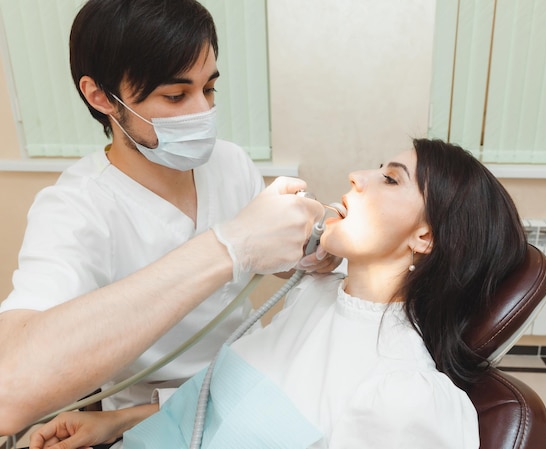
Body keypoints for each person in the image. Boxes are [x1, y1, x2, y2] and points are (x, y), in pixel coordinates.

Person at [30, 138, 528, 449]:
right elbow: (224, 402)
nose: (357, 176)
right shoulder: (310, 295)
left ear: (426, 237)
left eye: (390, 179)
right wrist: (113, 423)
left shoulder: (401, 395)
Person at [0, 0, 340, 435]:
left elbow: (280, 257)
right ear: (101, 96)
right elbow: (11, 386)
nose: (202, 112)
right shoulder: (74, 208)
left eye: (210, 89)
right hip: (152, 421)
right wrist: (228, 246)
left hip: (243, 388)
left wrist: (311, 249)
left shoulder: (229, 162)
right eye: (175, 95)